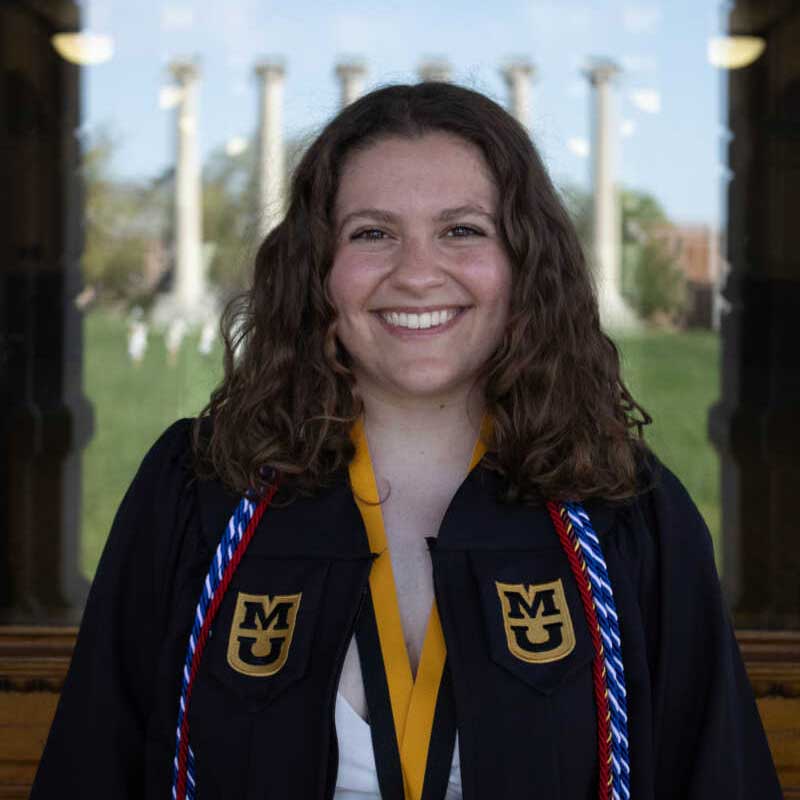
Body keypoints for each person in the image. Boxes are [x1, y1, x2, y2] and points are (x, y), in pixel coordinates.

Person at [31, 82, 781, 800]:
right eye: (372, 233)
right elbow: (94, 769)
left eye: (462, 230)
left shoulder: (625, 514)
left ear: (524, 262)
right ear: (317, 269)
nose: (418, 274)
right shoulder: (201, 493)